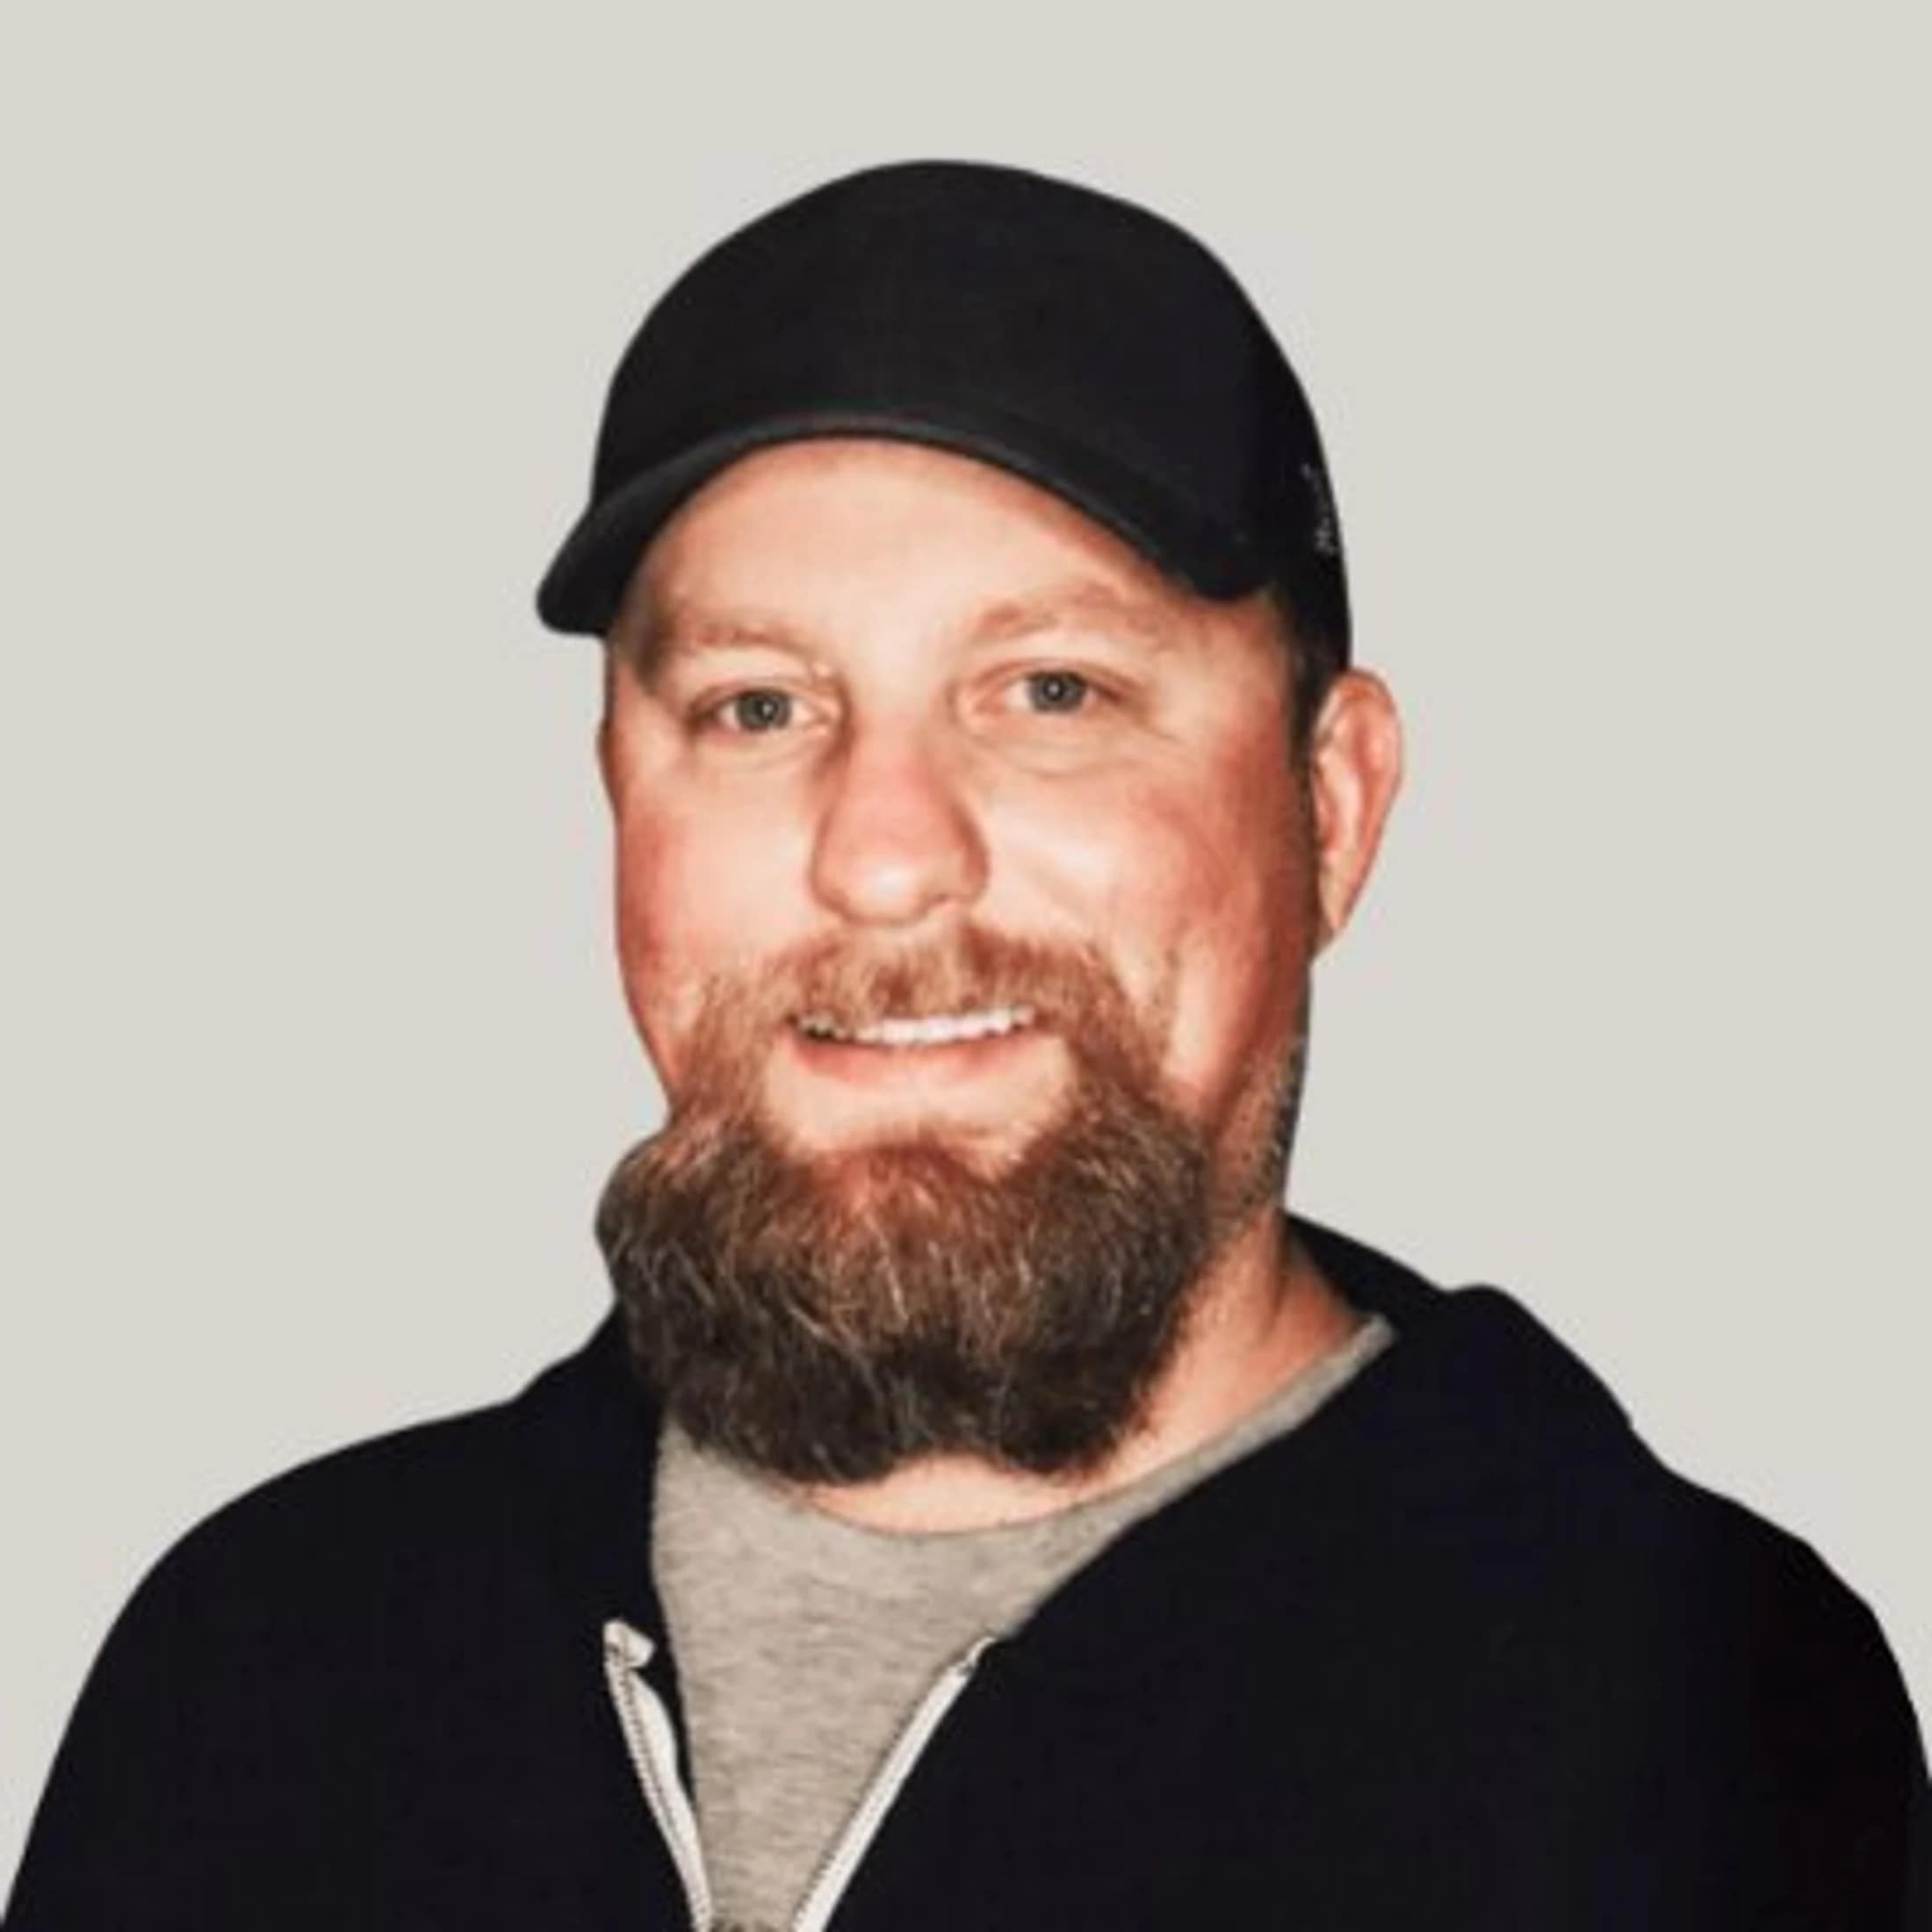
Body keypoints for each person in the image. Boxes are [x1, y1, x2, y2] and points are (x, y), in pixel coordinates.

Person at [6, 159, 1926, 1932]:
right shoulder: (269, 1659)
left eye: (1050, 689)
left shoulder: (1687, 1711)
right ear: (615, 802)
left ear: (1328, 806)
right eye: (758, 708)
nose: (883, 852)